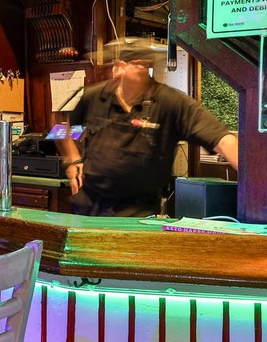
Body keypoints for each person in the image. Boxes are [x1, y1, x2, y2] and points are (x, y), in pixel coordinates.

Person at [55, 38, 239, 217]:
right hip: (89, 205)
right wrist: (72, 159)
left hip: (139, 210)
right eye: (137, 64)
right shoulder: (94, 96)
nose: (144, 69)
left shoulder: (170, 102)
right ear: (120, 67)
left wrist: (255, 181)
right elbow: (59, 128)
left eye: (147, 65)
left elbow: (222, 139)